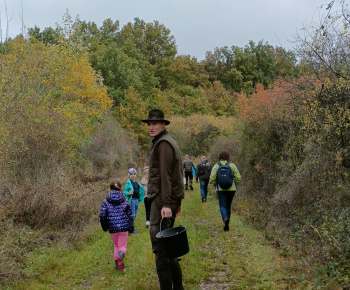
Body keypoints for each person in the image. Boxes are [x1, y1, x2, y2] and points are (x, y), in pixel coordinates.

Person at [141, 109, 185, 290]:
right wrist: (176, 202)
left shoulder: (164, 144)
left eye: (155, 124)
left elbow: (167, 177)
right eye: (149, 124)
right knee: (169, 247)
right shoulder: (162, 142)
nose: (151, 127)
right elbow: (175, 175)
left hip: (161, 201)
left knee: (161, 248)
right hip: (163, 200)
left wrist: (168, 204)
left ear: (163, 124)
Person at [99, 178, 134, 271]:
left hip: (112, 227)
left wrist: (105, 227)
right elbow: (130, 216)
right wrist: (131, 229)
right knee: (122, 246)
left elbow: (102, 215)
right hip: (124, 227)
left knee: (116, 245)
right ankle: (121, 256)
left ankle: (117, 265)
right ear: (121, 187)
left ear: (109, 188)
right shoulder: (125, 200)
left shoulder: (105, 202)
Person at [210, 150, 241, 231]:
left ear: (220, 157)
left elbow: (212, 178)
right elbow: (238, 177)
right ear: (228, 157)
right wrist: (234, 183)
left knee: (222, 205)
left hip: (220, 189)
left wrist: (215, 183)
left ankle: (225, 218)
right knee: (228, 205)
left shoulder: (216, 165)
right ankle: (227, 224)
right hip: (231, 189)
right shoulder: (232, 165)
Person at [124, 168, 145, 233]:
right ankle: (131, 229)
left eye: (134, 174)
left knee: (135, 214)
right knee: (132, 215)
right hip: (132, 200)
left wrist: (144, 192)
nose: (133, 175)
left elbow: (141, 189)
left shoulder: (137, 183)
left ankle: (128, 226)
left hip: (136, 200)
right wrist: (128, 193)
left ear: (136, 175)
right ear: (129, 175)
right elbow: (125, 191)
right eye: (131, 174)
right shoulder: (128, 183)